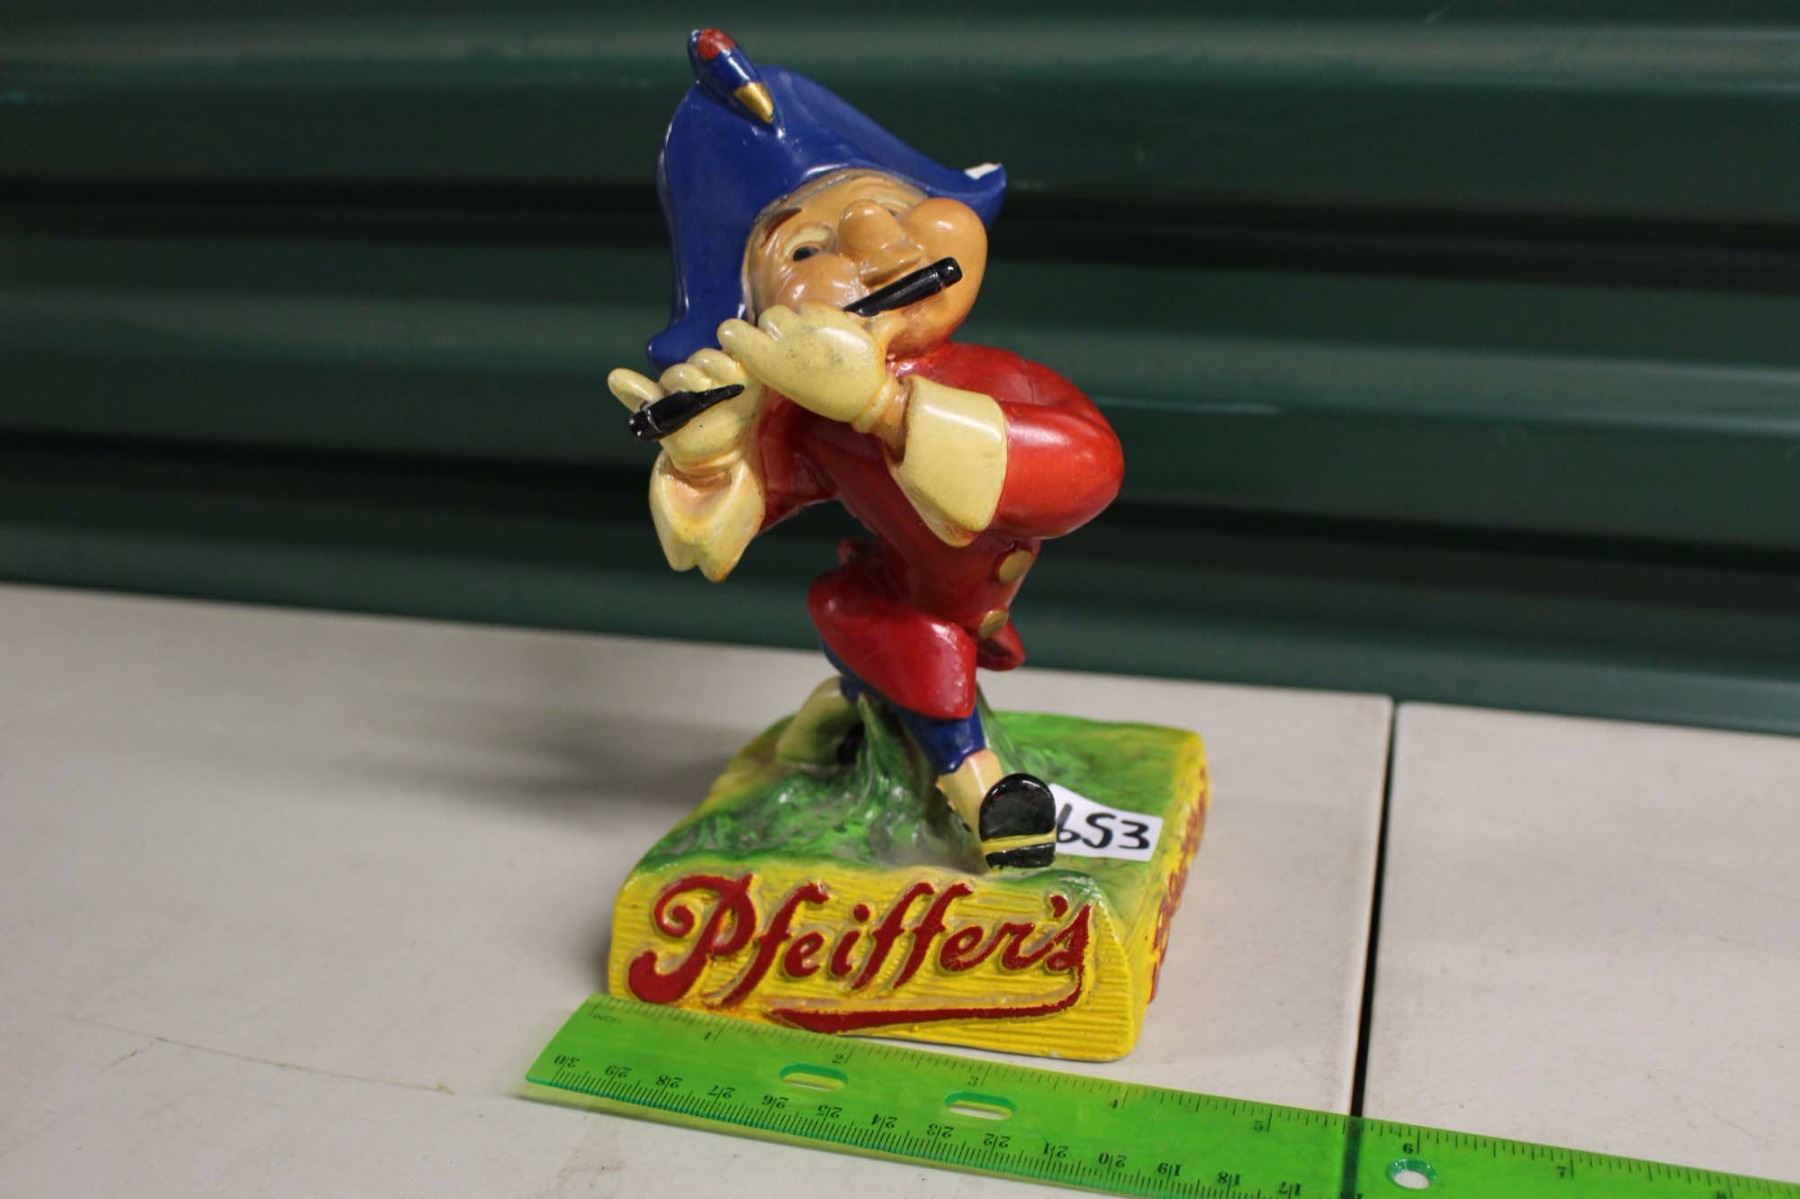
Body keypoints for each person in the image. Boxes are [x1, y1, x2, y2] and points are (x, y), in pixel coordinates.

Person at [608, 30, 1123, 869]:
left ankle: (840, 709)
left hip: (974, 593)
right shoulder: (808, 424)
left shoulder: (1003, 379)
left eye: (895, 205)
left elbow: (1089, 468)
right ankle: (983, 790)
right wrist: (707, 454)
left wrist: (885, 405)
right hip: (906, 600)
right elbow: (728, 528)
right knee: (912, 639)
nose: (882, 249)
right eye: (808, 250)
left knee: (906, 651)